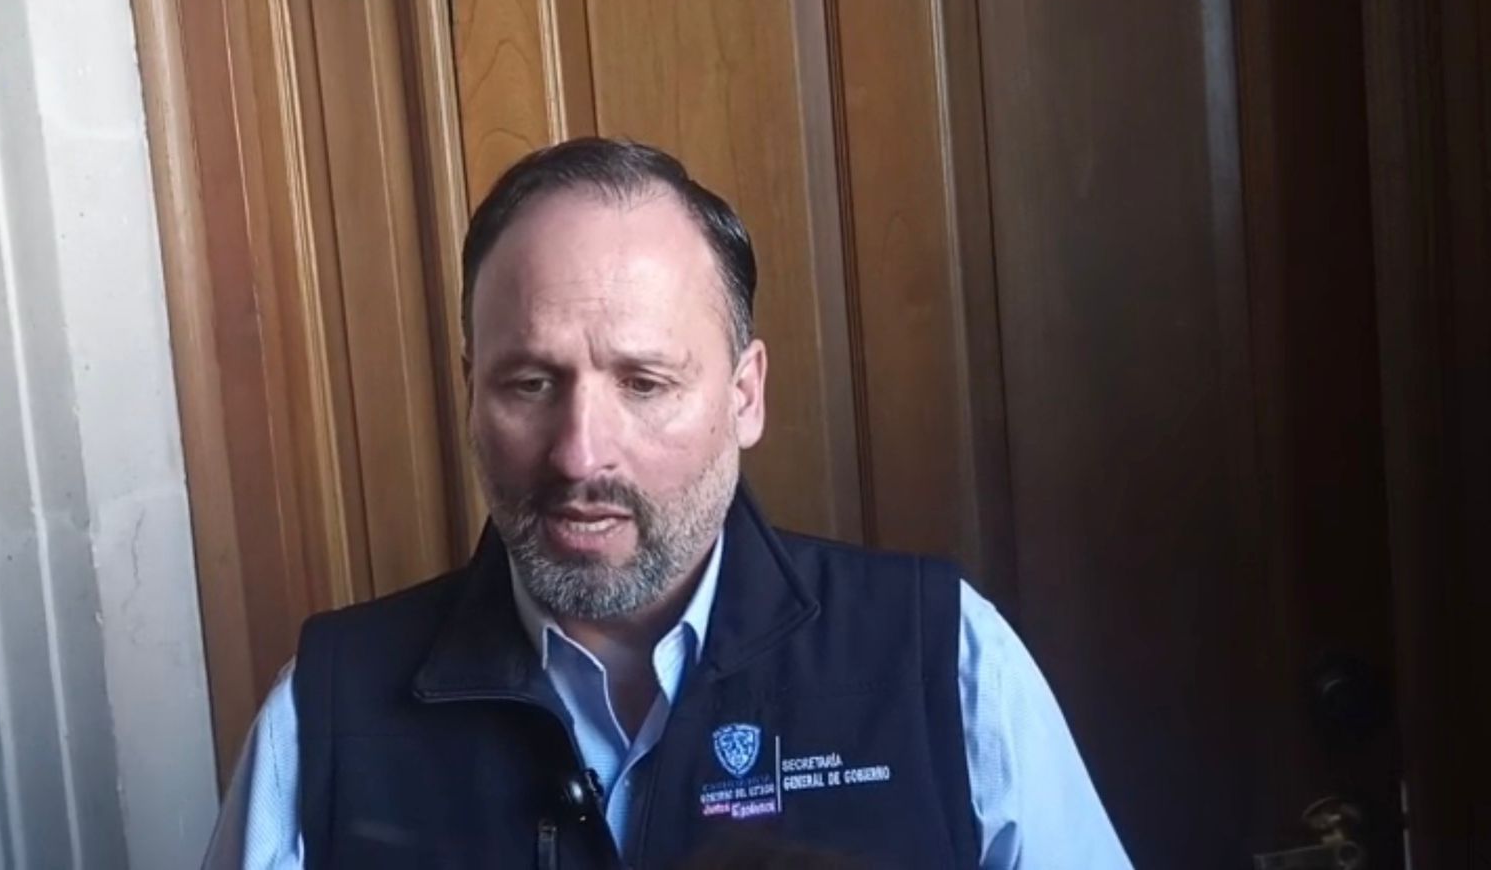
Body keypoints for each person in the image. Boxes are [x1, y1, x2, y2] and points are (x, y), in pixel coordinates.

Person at [203, 138, 1130, 869]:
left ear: (745, 395)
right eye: (529, 384)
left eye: (644, 383)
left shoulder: (945, 660)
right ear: (470, 394)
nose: (580, 453)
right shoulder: (324, 717)